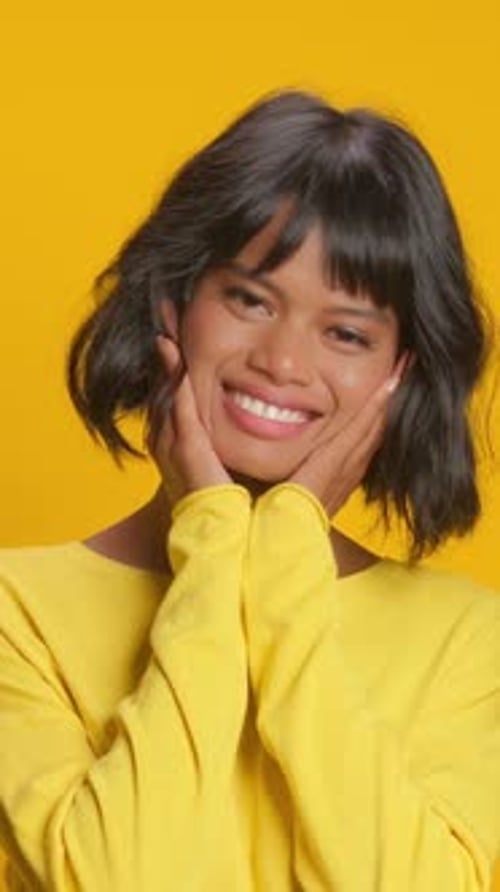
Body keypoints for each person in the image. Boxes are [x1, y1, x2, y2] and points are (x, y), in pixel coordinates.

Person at [0, 89, 499, 892]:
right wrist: (213, 541)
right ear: (174, 303)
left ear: (402, 375)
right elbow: (112, 880)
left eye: (345, 332)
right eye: (249, 299)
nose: (283, 361)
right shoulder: (14, 614)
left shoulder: (471, 641)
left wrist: (286, 553)